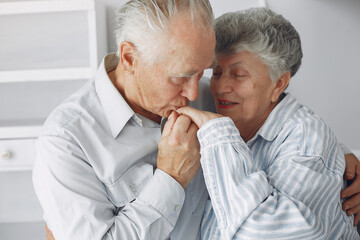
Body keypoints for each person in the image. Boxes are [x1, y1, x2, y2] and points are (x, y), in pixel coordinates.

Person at [32, 0, 216, 239]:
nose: (193, 93)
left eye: (202, 72)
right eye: (181, 77)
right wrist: (172, 178)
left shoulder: (211, 99)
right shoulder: (65, 141)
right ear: (129, 58)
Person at [174, 7, 360, 239]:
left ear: (279, 84)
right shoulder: (205, 99)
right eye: (218, 72)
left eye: (239, 74)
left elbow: (262, 233)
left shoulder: (307, 140)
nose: (221, 87)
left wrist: (218, 136)